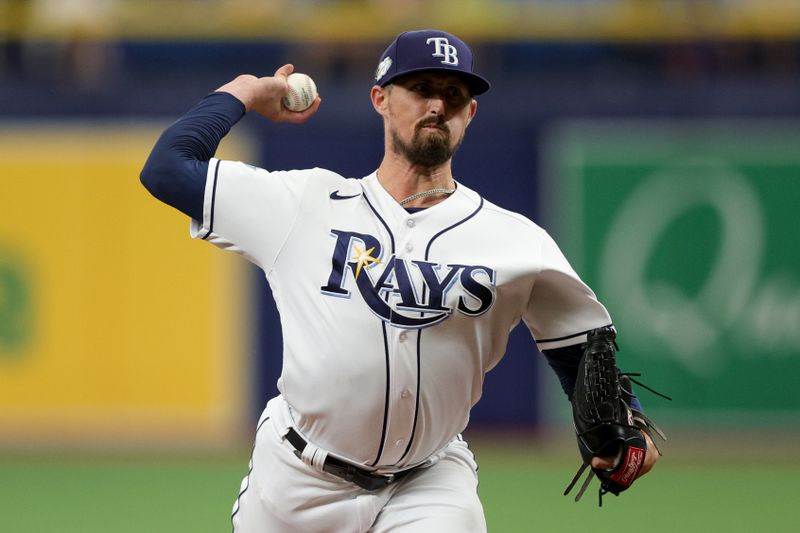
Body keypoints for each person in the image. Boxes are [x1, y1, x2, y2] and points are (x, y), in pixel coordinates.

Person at [140, 29, 658, 533]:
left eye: (454, 95)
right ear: (381, 99)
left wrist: (627, 425)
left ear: (470, 114)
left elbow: (582, 345)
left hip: (429, 486)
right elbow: (166, 168)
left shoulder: (516, 240)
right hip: (298, 481)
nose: (438, 105)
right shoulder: (302, 204)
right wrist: (246, 92)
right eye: (421, 89)